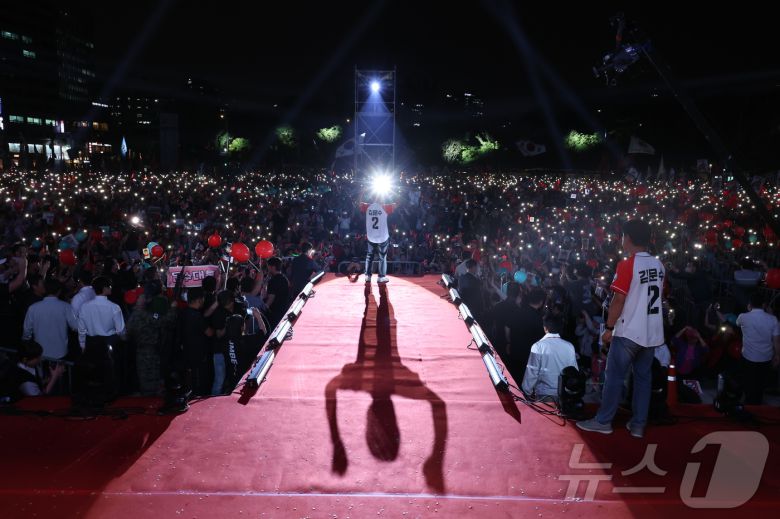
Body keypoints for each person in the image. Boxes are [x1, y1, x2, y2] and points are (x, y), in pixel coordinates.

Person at [577, 219, 665, 439]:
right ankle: (638, 425)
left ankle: (603, 421)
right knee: (643, 378)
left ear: (629, 238)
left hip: (628, 332)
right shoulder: (658, 265)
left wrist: (608, 328)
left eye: (623, 236)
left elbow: (618, 300)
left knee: (614, 377)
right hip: (651, 332)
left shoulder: (628, 264)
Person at [736, 292, 780, 404]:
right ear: (764, 305)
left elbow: (737, 323)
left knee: (748, 383)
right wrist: (777, 356)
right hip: (766, 358)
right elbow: (776, 341)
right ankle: (757, 405)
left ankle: (748, 403)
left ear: (749, 304)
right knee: (760, 385)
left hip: (748, 357)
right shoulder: (773, 319)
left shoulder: (743, 317)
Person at [521, 314, 578, 399]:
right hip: (564, 394)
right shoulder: (569, 346)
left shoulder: (538, 346)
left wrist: (526, 391)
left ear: (545, 328)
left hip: (544, 394)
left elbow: (532, 372)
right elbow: (574, 371)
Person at [22, 278, 79, 360]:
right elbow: (76, 327)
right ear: (59, 291)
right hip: (60, 352)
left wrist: (26, 341)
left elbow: (27, 331)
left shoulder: (33, 308)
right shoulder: (65, 307)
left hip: (39, 352)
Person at [506, 287, 546, 386]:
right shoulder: (538, 318)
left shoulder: (517, 311)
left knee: (513, 378)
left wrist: (509, 342)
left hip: (514, 349)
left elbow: (507, 327)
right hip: (528, 355)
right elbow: (540, 340)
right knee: (525, 382)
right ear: (541, 302)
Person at [0, 340, 66, 400]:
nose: (40, 359)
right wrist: (54, 378)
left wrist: (48, 379)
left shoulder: (22, 366)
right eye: (37, 358)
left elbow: (35, 383)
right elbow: (39, 399)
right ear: (25, 360)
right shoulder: (23, 378)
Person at [360, 198, 396, 284]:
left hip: (371, 236)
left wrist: (363, 192)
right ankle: (381, 277)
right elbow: (396, 204)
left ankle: (367, 276)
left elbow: (359, 203)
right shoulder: (384, 207)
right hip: (382, 237)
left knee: (369, 256)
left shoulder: (367, 207)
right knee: (382, 257)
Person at [264, 256, 290, 331]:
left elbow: (271, 297)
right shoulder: (285, 278)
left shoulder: (273, 281)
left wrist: (265, 307)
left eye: (268, 266)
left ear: (273, 267)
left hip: (274, 312)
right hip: (283, 309)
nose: (268, 269)